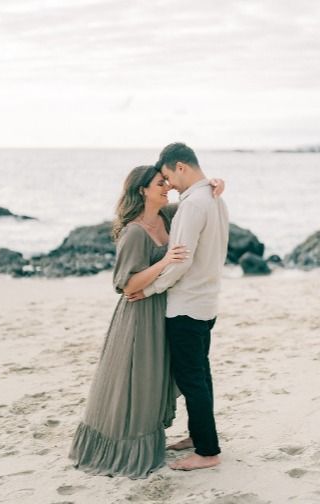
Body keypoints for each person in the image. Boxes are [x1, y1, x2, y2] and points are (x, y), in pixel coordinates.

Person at [68, 163, 225, 478]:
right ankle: (129, 447)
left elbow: (196, 203)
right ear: (142, 190)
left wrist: (214, 184)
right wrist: (166, 261)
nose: (167, 187)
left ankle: (199, 435)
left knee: (165, 377)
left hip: (164, 308)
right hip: (140, 314)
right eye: (159, 184)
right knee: (137, 380)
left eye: (166, 182)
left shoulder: (167, 216)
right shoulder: (134, 232)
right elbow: (126, 285)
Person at [128, 143, 229, 471]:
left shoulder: (194, 204)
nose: (169, 184)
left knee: (191, 379)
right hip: (207, 301)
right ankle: (200, 436)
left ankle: (207, 452)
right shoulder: (216, 198)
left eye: (169, 176)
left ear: (181, 167)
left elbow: (180, 261)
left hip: (187, 305)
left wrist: (150, 288)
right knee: (201, 375)